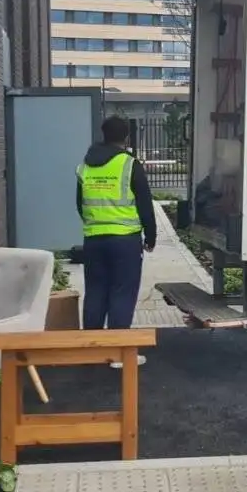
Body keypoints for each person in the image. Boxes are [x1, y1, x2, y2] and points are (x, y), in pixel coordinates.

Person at [76, 116, 157, 365]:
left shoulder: (86, 166)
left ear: (103, 134)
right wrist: (150, 235)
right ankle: (118, 354)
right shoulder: (129, 164)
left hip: (94, 240)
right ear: (126, 137)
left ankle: (92, 351)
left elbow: (80, 204)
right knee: (122, 292)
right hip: (125, 241)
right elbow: (144, 203)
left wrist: (95, 224)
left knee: (96, 291)